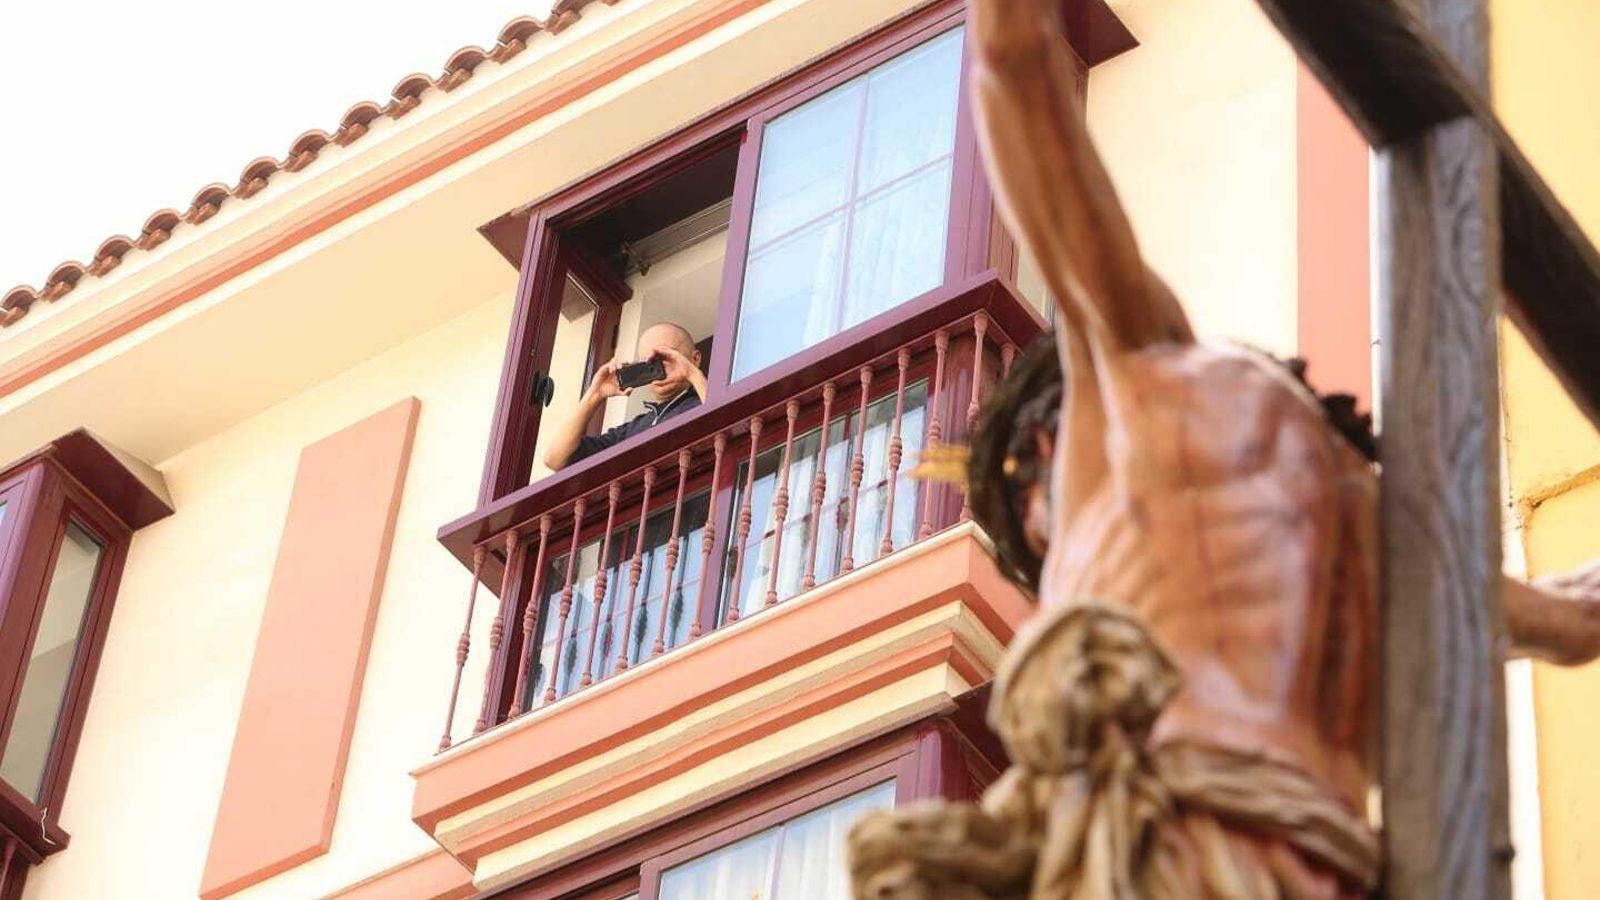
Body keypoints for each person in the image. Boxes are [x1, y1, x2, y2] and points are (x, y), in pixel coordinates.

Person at [543, 322, 706, 471]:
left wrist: (691, 373)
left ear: (695, 358)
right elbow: (556, 459)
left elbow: (724, 416)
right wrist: (595, 394)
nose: (659, 368)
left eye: (667, 356)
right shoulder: (630, 430)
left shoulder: (703, 402)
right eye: (649, 362)